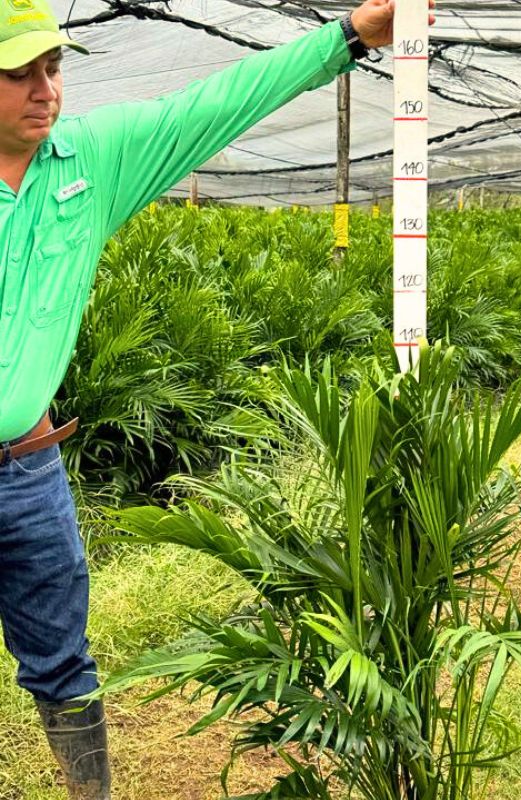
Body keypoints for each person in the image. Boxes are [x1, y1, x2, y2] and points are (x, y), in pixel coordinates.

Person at [0, 0, 434, 796]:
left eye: (53, 68)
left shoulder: (91, 164)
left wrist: (346, 38)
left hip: (27, 467)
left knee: (62, 656)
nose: (44, 89)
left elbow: (215, 103)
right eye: (18, 72)